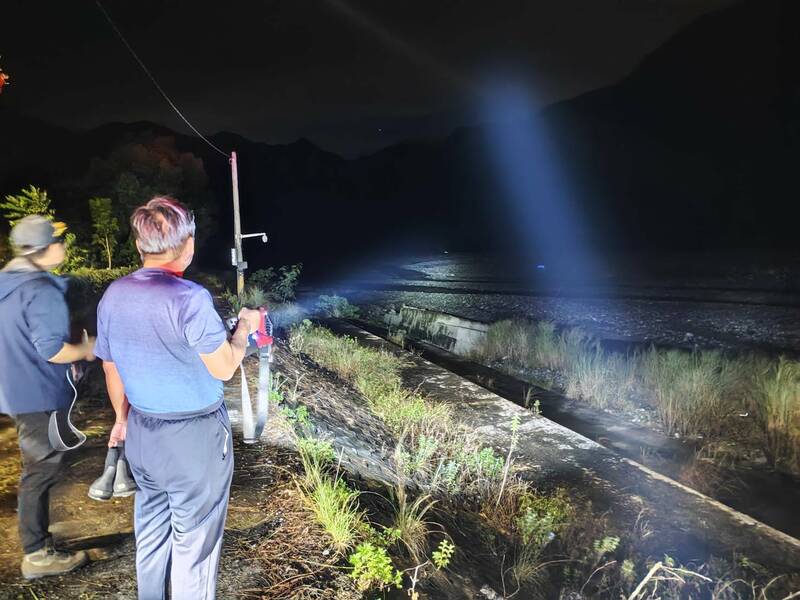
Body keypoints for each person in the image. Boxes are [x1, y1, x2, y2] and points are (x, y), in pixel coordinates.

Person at [94, 197, 260, 599]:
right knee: (195, 545)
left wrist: (121, 419)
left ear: (139, 246)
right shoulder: (190, 298)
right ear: (188, 246)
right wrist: (243, 331)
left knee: (151, 532)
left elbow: (110, 368)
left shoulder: (113, 295)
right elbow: (223, 368)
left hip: (142, 432)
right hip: (195, 437)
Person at [0, 215, 96, 579]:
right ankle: (36, 554)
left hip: (14, 390)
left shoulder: (7, 283)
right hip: (38, 392)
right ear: (43, 250)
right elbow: (52, 350)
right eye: (59, 241)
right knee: (40, 470)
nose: (64, 246)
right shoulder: (40, 289)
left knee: (39, 467)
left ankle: (36, 542)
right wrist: (87, 349)